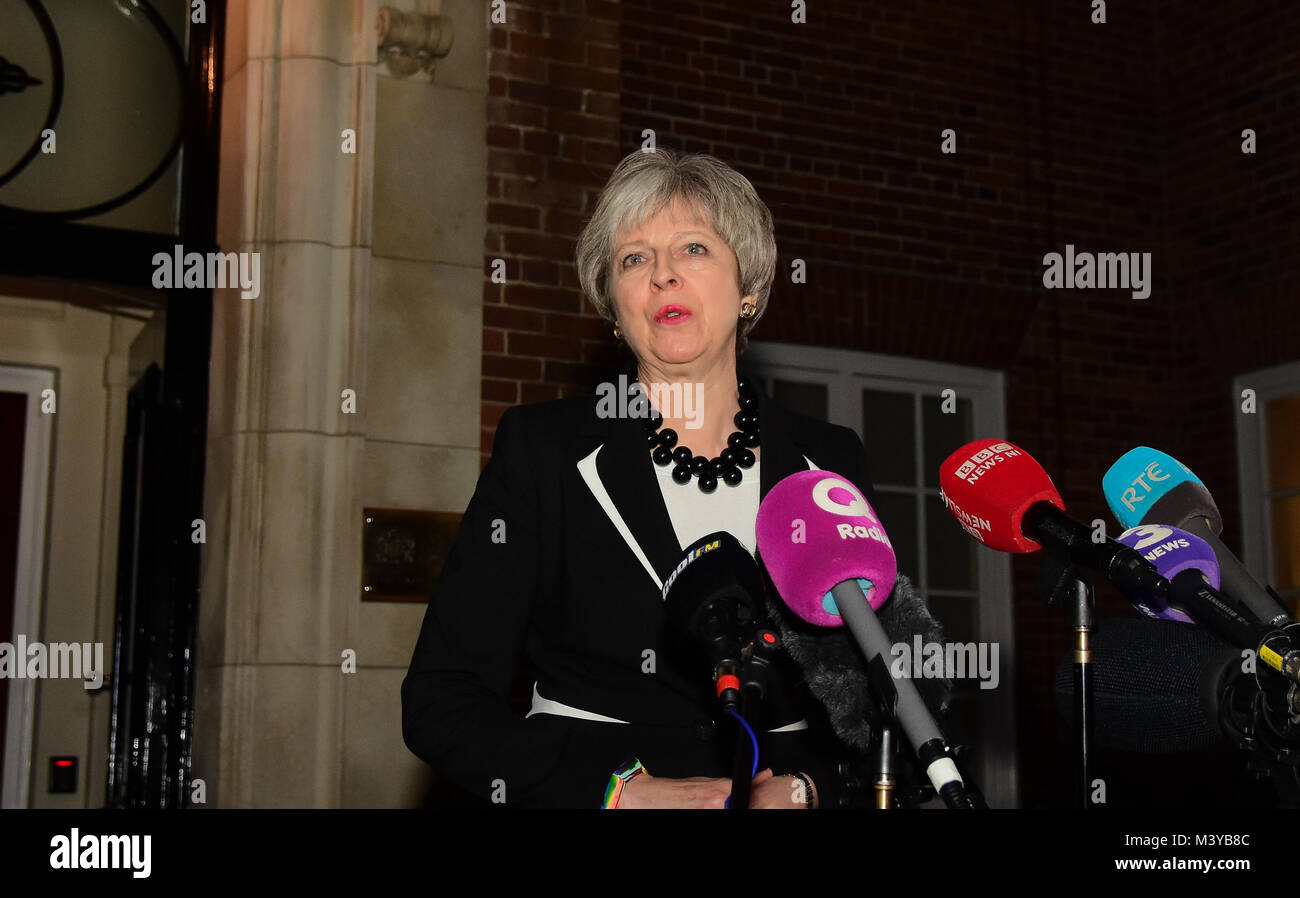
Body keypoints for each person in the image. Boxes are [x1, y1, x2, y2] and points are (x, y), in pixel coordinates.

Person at [402, 148, 939, 808]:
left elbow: (890, 699)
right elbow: (441, 698)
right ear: (615, 303)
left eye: (692, 249)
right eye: (634, 259)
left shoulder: (827, 462)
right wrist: (619, 793)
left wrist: (805, 789)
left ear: (748, 288)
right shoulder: (544, 451)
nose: (661, 276)